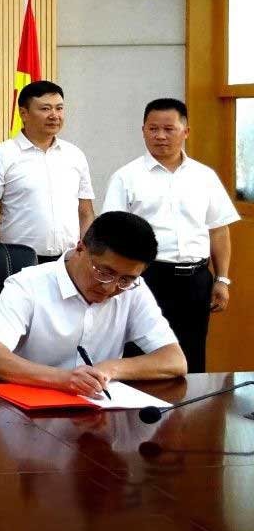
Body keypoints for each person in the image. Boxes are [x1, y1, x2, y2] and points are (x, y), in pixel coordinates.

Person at [0, 211, 186, 395]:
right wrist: (64, 379)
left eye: (125, 279)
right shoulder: (27, 284)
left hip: (97, 410)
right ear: (80, 248)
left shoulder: (134, 290)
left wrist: (109, 369)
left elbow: (174, 360)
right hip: (29, 407)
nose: (110, 288)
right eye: (104, 272)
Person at [102, 98, 239, 373]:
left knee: (192, 356)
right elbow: (112, 232)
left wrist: (222, 279)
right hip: (145, 278)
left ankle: (192, 403)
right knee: (141, 353)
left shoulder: (204, 176)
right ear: (143, 131)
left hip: (196, 280)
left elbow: (218, 229)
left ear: (185, 131)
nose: (160, 136)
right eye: (153, 129)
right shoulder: (126, 177)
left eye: (169, 129)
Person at [0, 81, 95, 263]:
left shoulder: (75, 155)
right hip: (19, 259)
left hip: (69, 260)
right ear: (23, 113)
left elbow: (85, 212)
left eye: (59, 108)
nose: (54, 115)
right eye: (45, 109)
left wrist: (88, 256)